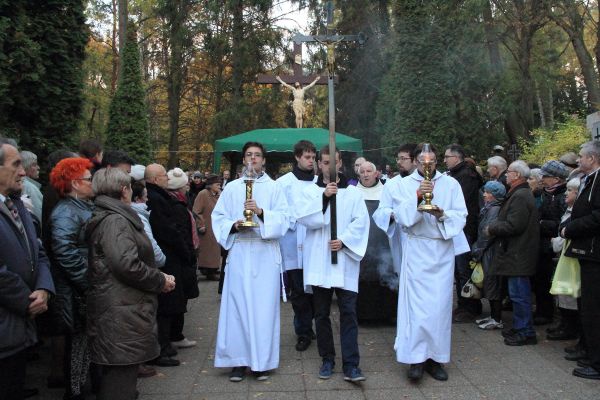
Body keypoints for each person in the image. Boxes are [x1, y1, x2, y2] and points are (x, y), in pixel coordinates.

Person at [85, 168, 175, 400]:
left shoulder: (114, 216)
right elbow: (126, 264)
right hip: (121, 308)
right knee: (120, 379)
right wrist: (159, 279)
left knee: (123, 374)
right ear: (124, 190)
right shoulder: (116, 220)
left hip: (123, 306)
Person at [388, 143, 467, 382]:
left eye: (431, 162)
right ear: (415, 162)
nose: (427, 165)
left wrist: (442, 214)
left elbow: (461, 215)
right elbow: (401, 216)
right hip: (416, 249)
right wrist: (417, 197)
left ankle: (435, 358)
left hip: (440, 250)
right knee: (416, 309)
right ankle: (416, 359)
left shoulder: (451, 184)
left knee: (439, 308)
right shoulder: (403, 184)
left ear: (436, 162)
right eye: (423, 162)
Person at [211, 142, 289, 382]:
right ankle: (237, 361)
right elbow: (219, 216)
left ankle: (261, 363)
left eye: (257, 156)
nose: (252, 159)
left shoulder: (274, 188)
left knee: (263, 310)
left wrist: (262, 212)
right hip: (241, 252)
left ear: (264, 160)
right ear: (243, 159)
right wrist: (233, 225)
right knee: (237, 308)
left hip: (264, 254)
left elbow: (285, 219)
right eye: (248, 155)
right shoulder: (233, 188)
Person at [296, 145, 369, 382]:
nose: (329, 166)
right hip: (320, 260)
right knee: (321, 314)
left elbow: (361, 221)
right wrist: (324, 197)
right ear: (319, 164)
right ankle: (327, 359)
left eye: (334, 162)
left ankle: (351, 364)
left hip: (344, 260)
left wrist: (345, 241)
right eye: (325, 162)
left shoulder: (353, 192)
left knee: (348, 312)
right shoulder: (309, 191)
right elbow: (305, 219)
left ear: (341, 163)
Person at [0, 138, 54, 400]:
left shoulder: (17, 204)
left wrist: (44, 288)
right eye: (16, 164)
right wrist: (27, 301)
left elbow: (39, 251)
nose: (23, 172)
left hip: (17, 329)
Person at [48, 158, 95, 399]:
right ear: (75, 184)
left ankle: (81, 387)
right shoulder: (66, 212)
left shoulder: (81, 207)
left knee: (83, 343)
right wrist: (87, 282)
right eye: (88, 179)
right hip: (74, 292)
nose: (92, 183)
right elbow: (64, 251)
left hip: (80, 289)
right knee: (77, 344)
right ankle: (75, 391)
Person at [488, 160, 540, 346]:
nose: (506, 175)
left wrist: (492, 228)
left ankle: (525, 331)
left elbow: (514, 225)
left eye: (509, 172)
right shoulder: (519, 194)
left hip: (519, 253)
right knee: (517, 293)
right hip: (517, 253)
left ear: (517, 175)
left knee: (520, 295)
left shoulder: (520, 196)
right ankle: (520, 327)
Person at [560, 140, 600, 380]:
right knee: (588, 306)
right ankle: (589, 352)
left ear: (592, 159)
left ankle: (596, 362)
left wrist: (570, 228)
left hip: (595, 254)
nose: (578, 160)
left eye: (582, 157)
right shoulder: (590, 179)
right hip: (588, 253)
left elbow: (596, 216)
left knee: (593, 309)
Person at [276, 140, 317, 351]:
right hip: (292, 242)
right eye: (307, 157)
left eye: (313, 157)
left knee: (314, 289)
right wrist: (297, 217)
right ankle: (302, 331)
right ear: (297, 157)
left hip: (313, 242)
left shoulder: (320, 182)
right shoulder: (284, 183)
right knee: (299, 291)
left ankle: (311, 326)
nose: (311, 161)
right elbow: (279, 211)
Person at [144, 164, 187, 367]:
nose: (167, 179)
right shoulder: (156, 199)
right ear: (154, 179)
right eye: (163, 175)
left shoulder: (160, 196)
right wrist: (183, 248)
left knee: (170, 303)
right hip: (166, 256)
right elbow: (166, 229)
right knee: (166, 304)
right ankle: (161, 346)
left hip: (169, 255)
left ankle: (166, 342)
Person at [444, 144, 484, 323]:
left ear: (457, 158)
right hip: (457, 228)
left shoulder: (466, 176)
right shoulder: (455, 175)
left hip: (464, 229)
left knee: (463, 270)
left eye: (447, 157)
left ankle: (470, 306)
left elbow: (460, 204)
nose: (444, 160)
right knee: (459, 271)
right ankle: (463, 305)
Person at [355, 161, 396, 322]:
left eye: (369, 171)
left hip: (383, 239)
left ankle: (388, 314)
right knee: (364, 276)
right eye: (362, 171)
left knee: (385, 270)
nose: (365, 174)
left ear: (376, 173)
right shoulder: (353, 192)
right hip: (363, 240)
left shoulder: (386, 191)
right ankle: (365, 316)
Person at [165, 168, 199, 349]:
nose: (188, 186)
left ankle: (175, 334)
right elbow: (181, 234)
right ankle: (175, 335)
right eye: (185, 183)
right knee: (179, 297)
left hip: (184, 256)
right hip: (182, 257)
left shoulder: (179, 203)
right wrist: (189, 253)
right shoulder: (178, 207)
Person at [534, 160, 568, 328]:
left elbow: (562, 223)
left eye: (546, 176)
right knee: (540, 280)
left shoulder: (562, 196)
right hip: (541, 244)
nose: (542, 178)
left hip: (553, 244)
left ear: (556, 179)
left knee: (549, 280)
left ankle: (549, 313)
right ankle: (542, 310)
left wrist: (541, 224)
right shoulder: (543, 194)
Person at [471, 181, 505, 330]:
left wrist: (478, 250)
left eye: (488, 192)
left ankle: (496, 318)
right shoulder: (489, 208)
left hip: (490, 252)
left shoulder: (494, 210)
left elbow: (487, 233)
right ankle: (493, 316)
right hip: (487, 251)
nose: (484, 194)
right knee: (490, 283)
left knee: (492, 284)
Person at [193, 174, 222, 281]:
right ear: (210, 185)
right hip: (206, 226)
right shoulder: (203, 194)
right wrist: (201, 225)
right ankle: (209, 270)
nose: (219, 186)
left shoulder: (218, 195)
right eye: (217, 184)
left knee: (214, 249)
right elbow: (197, 211)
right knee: (207, 250)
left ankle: (213, 268)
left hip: (216, 227)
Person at [20, 150, 42, 222]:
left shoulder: (23, 184)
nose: (38, 167)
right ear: (25, 167)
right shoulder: (30, 188)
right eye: (34, 165)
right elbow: (38, 217)